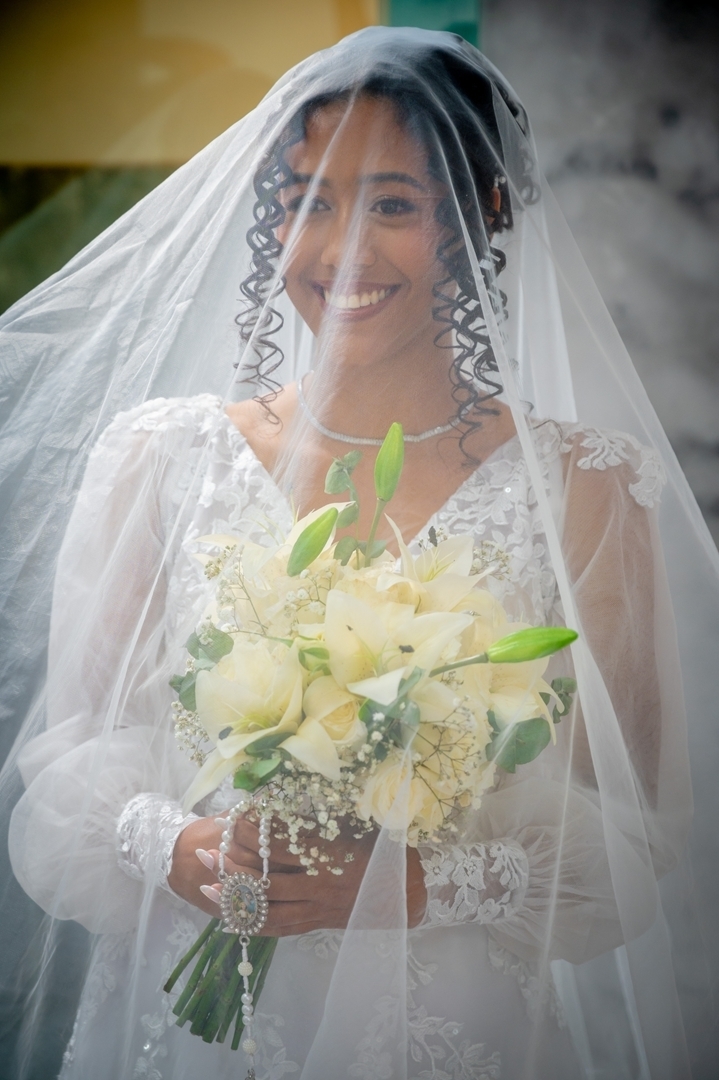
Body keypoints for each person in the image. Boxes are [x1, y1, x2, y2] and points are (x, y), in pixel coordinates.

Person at [0, 26, 716, 1080]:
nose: (340, 250)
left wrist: (413, 885)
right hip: (176, 1018)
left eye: (391, 203)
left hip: (451, 1027)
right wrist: (180, 848)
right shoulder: (161, 459)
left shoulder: (583, 489)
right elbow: (66, 770)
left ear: (487, 213)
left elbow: (630, 844)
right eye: (307, 201)